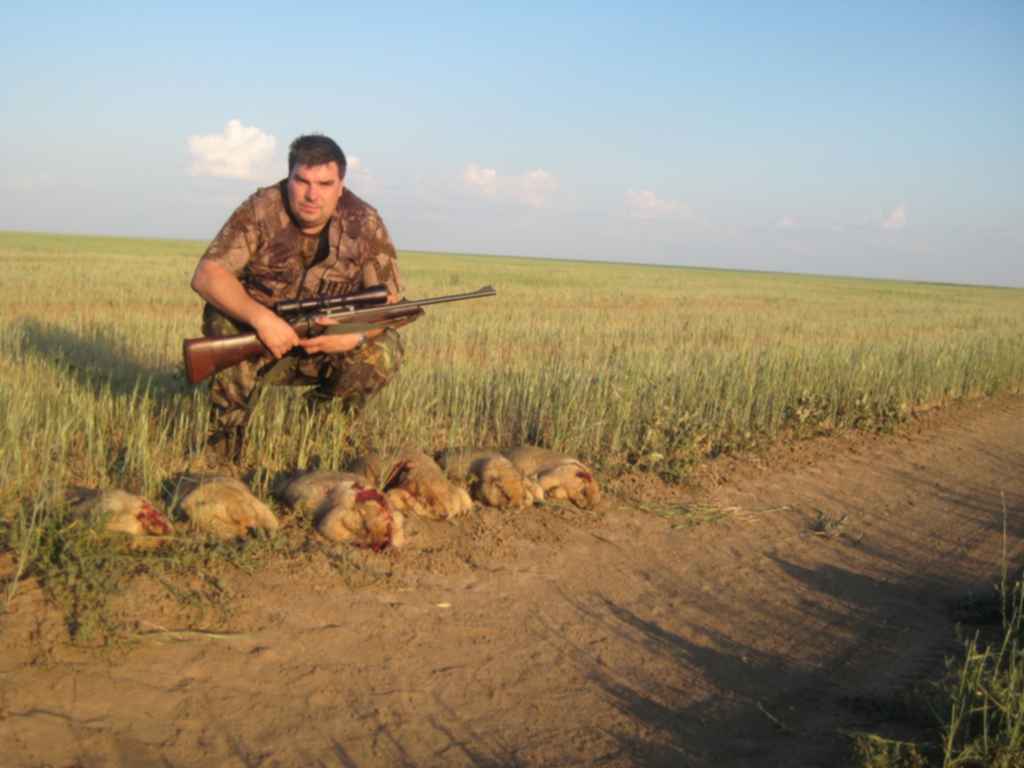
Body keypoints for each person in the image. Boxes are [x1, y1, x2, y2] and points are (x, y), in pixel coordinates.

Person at [190, 134, 406, 460]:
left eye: (324, 183)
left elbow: (388, 305)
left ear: (341, 185)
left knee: (385, 347)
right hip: (260, 342)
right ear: (288, 177)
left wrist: (353, 334)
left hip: (322, 347)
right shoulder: (260, 209)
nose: (311, 194)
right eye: (302, 181)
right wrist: (262, 320)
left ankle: (320, 432)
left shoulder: (365, 222)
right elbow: (208, 275)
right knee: (222, 318)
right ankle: (223, 441)